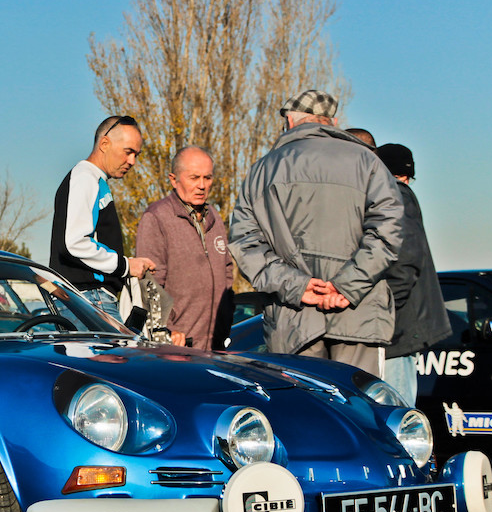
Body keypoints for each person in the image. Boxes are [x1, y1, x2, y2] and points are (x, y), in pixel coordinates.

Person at [228, 89, 403, 376]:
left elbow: (245, 243)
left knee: (301, 400)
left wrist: (299, 286)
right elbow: (388, 230)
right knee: (357, 401)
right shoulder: (368, 162)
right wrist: (347, 285)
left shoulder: (264, 169)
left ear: (290, 121)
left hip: (293, 318)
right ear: (332, 121)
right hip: (358, 315)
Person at [50, 115, 155, 322]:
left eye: (136, 155)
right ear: (104, 143)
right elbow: (74, 243)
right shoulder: (85, 177)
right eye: (128, 152)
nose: (132, 161)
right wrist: (126, 266)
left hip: (89, 298)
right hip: (90, 298)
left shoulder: (94, 180)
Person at [135, 146, 234, 349]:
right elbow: (150, 283)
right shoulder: (157, 217)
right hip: (178, 346)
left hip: (216, 344)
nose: (202, 185)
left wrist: (227, 314)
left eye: (207, 178)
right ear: (174, 180)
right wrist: (167, 328)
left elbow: (227, 270)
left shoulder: (214, 217)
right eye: (194, 178)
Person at [377, 143, 451, 403]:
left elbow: (405, 263)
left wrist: (382, 307)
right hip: (402, 325)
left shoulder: (394, 196)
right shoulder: (400, 195)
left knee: (395, 408)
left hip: (397, 328)